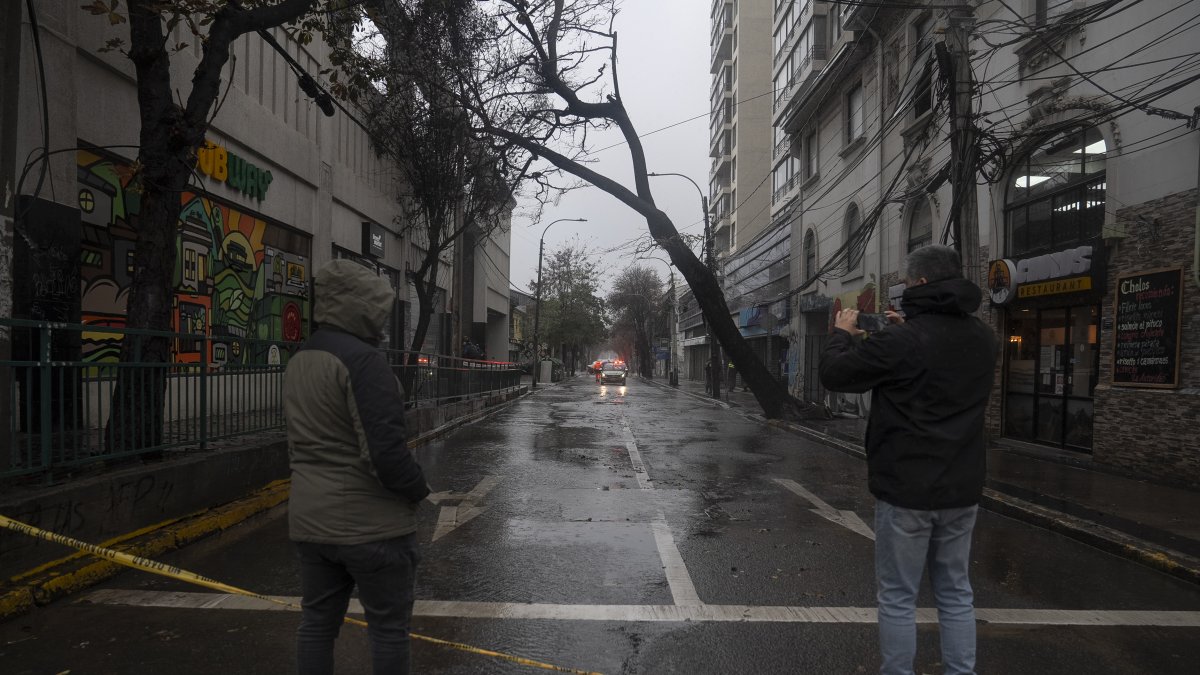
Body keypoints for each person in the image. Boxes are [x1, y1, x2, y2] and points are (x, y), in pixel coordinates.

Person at [818, 245, 997, 675]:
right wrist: (902, 330)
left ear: (920, 282)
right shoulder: (984, 337)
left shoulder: (902, 341)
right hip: (962, 486)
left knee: (898, 596)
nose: (902, 286)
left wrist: (842, 333)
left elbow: (836, 374)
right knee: (956, 592)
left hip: (906, 489)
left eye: (906, 281)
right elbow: (934, 366)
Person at [283, 259, 431, 675]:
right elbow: (386, 455)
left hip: (312, 523)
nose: (382, 321)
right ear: (362, 307)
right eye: (378, 309)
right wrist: (418, 489)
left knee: (316, 624)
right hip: (373, 528)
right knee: (388, 631)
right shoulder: (364, 362)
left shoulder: (302, 359)